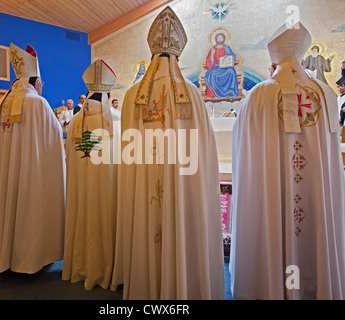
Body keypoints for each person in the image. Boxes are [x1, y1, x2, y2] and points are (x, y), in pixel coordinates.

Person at [114, 6, 225, 300]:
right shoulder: (190, 93)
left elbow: (128, 157)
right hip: (181, 183)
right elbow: (203, 156)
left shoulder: (130, 97)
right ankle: (183, 284)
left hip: (144, 183)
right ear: (177, 55)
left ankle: (146, 285)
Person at [230, 22, 345, 300]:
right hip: (316, 195)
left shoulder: (260, 94)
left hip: (273, 190)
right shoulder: (325, 94)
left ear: (274, 57)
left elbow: (244, 146)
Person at [0, 43, 65, 274]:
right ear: (36, 82)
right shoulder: (38, 103)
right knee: (30, 203)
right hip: (31, 174)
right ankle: (30, 257)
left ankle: (6, 254)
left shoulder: (1, 105)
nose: (42, 87)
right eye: (41, 84)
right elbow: (54, 139)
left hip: (7, 173)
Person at [62, 59, 121, 290]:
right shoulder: (114, 118)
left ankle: (80, 265)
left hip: (81, 191)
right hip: (106, 191)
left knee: (82, 210)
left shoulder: (76, 120)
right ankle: (106, 267)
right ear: (108, 93)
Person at [205, 31, 239, 98]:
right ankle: (213, 93)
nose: (220, 40)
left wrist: (228, 56)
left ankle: (230, 91)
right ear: (216, 40)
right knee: (212, 74)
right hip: (215, 68)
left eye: (221, 38)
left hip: (225, 67)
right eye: (218, 38)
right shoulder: (212, 49)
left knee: (231, 71)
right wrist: (212, 54)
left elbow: (233, 57)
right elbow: (208, 61)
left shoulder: (227, 48)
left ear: (224, 39)